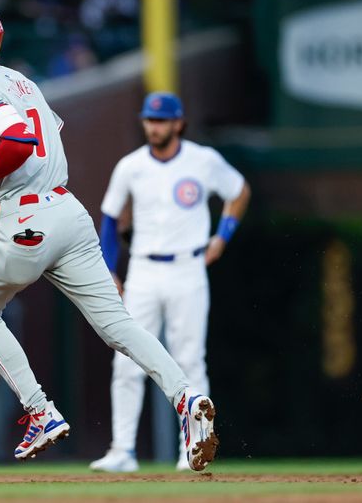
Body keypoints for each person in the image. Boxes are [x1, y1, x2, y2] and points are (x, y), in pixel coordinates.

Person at [0, 3, 219, 470]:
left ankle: (40, 411)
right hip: (68, 210)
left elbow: (18, 141)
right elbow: (47, 132)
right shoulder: (22, 81)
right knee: (118, 326)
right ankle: (186, 399)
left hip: (26, 221)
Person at [90, 92, 251, 472]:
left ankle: (191, 451)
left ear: (179, 123)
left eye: (161, 120)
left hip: (188, 267)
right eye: (149, 119)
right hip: (144, 269)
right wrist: (110, 269)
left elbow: (238, 191)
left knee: (190, 359)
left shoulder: (202, 160)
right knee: (127, 360)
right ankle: (122, 450)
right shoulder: (130, 166)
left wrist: (222, 236)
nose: (154, 126)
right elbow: (110, 219)